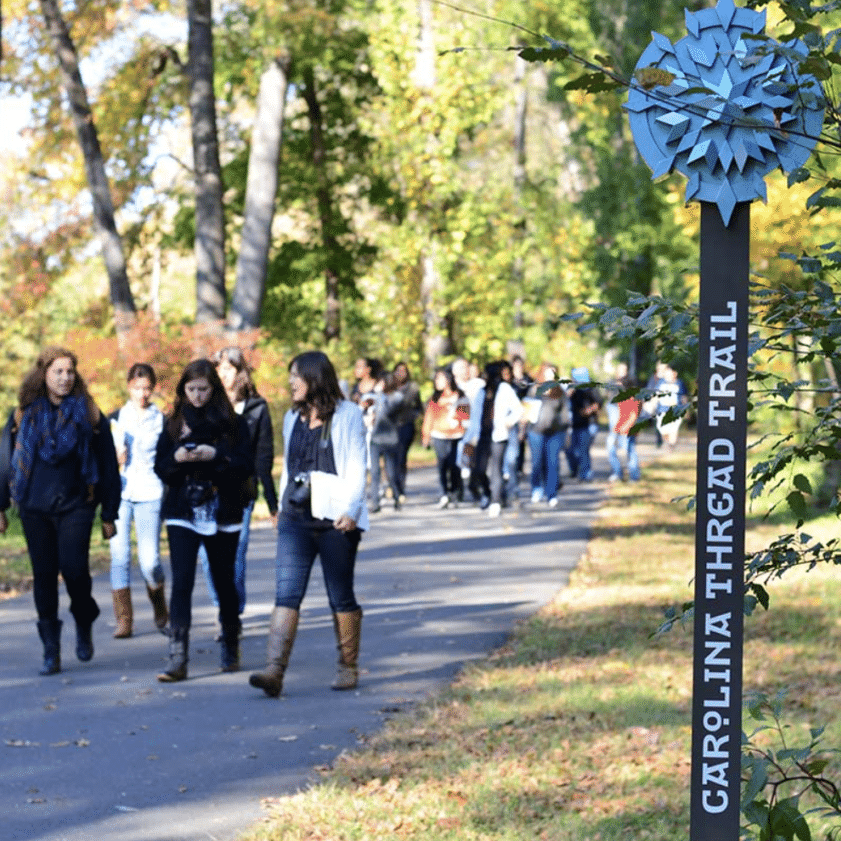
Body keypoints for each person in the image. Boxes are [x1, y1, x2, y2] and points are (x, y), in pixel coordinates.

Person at [250, 350, 368, 698]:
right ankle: (274, 670)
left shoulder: (347, 416)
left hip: (336, 520)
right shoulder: (291, 417)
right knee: (286, 592)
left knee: (340, 595)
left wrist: (352, 509)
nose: (290, 383)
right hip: (296, 519)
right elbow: (288, 466)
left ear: (315, 378)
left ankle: (348, 666)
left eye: (295, 377)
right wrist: (281, 509)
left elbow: (357, 465)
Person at [0, 347, 121, 675]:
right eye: (58, 372)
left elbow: (108, 464)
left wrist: (110, 511)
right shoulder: (23, 413)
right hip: (34, 507)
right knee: (43, 576)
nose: (65, 378)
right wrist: (0, 505)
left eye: (70, 372)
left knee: (74, 571)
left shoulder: (89, 413)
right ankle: (50, 649)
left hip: (76, 506)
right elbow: (5, 461)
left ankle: (84, 619)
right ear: (44, 374)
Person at [154, 359, 253, 682]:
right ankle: (177, 657)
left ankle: (230, 643)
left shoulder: (232, 423)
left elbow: (245, 464)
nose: (197, 396)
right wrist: (178, 457)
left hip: (223, 509)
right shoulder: (173, 423)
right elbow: (161, 468)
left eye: (203, 390)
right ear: (183, 389)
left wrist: (217, 455)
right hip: (183, 509)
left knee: (224, 580)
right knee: (181, 581)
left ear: (214, 389)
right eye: (191, 389)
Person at [199, 347, 278, 630]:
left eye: (229, 369)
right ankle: (225, 609)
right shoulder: (205, 405)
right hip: (207, 494)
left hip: (240, 492)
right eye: (219, 369)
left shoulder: (257, 408)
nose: (223, 374)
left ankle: (231, 614)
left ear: (240, 372)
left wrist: (272, 504)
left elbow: (263, 457)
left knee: (235, 554)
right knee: (209, 560)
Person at [108, 363, 168, 638]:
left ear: (153, 389)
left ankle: (158, 601)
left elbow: (168, 460)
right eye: (137, 388)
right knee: (119, 557)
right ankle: (124, 620)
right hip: (121, 493)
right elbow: (100, 458)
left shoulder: (162, 420)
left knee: (149, 561)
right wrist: (113, 460)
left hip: (151, 492)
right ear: (128, 387)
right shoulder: (115, 419)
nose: (142, 394)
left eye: (147, 388)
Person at [463, 361, 523, 517]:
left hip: (499, 436)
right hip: (482, 435)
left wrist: (507, 422)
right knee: (478, 469)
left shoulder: (505, 389)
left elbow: (518, 410)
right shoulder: (481, 392)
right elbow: (475, 417)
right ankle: (488, 494)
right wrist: (469, 439)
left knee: (496, 469)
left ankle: (495, 502)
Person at [420, 367, 471, 508]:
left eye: (440, 378)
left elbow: (465, 416)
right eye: (436, 379)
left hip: (457, 436)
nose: (437, 381)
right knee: (442, 465)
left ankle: (455, 493)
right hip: (439, 436)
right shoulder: (435, 399)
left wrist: (455, 416)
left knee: (454, 465)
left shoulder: (460, 396)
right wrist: (426, 436)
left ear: (448, 379)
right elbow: (429, 418)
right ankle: (444, 494)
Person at [525, 362, 569, 506]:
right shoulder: (534, 389)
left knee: (553, 462)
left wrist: (566, 430)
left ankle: (551, 493)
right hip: (536, 432)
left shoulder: (559, 392)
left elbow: (564, 413)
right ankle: (536, 488)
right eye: (548, 372)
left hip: (554, 433)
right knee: (537, 462)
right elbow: (526, 408)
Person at [359, 373, 404, 512]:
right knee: (374, 471)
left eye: (380, 382)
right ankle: (375, 504)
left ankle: (396, 497)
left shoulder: (396, 397)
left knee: (390, 473)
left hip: (390, 439)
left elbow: (387, 410)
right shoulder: (376, 398)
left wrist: (378, 397)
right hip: (375, 438)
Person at [391, 361, 423, 502]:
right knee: (391, 457)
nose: (401, 373)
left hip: (406, 426)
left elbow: (419, 407)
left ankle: (400, 487)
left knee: (401, 456)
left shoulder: (413, 388)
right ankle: (392, 485)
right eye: (398, 370)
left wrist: (413, 416)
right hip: (390, 427)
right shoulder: (390, 387)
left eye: (404, 370)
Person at [605, 362, 642, 482]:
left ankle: (634, 475)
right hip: (621, 426)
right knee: (611, 446)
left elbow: (634, 413)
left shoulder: (632, 395)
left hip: (627, 428)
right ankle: (618, 473)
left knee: (629, 449)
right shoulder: (616, 391)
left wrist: (627, 427)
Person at [565, 367, 601, 481]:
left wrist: (588, 411)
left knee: (583, 449)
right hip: (575, 424)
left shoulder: (591, 388)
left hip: (589, 423)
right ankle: (576, 470)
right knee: (571, 450)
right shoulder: (573, 390)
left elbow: (599, 402)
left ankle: (586, 473)